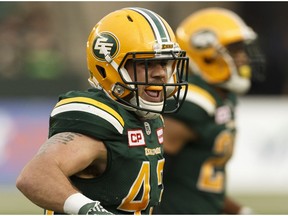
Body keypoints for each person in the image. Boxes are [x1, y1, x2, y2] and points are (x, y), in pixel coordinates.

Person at [16, 7, 188, 215]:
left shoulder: (149, 119)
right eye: (147, 64)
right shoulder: (103, 118)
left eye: (164, 63)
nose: (161, 74)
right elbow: (35, 176)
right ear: (108, 68)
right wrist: (90, 210)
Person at [154, 7, 265, 214]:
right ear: (206, 55)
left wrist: (242, 212)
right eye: (235, 50)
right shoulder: (193, 102)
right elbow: (150, 173)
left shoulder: (223, 98)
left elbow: (202, 185)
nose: (244, 58)